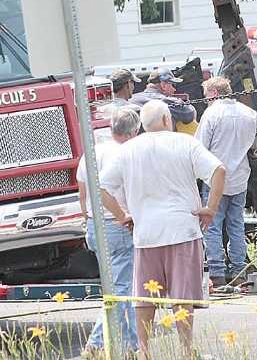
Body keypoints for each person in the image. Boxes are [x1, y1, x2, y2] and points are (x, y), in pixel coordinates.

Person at [99, 100, 225, 360]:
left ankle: (145, 351)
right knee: (182, 296)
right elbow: (218, 170)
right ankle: (186, 351)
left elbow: (101, 188)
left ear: (142, 126)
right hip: (183, 229)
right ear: (167, 119)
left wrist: (122, 216)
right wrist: (211, 208)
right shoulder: (185, 143)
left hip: (146, 232)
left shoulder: (128, 149)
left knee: (144, 297)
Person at [195, 76, 257, 286]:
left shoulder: (212, 114)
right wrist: (251, 146)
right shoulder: (247, 112)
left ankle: (216, 272)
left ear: (214, 93)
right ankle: (238, 270)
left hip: (215, 179)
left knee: (212, 225)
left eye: (206, 96)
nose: (206, 100)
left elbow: (199, 147)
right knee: (236, 225)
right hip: (240, 178)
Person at [77, 107, 141, 357]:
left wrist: (87, 218)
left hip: (95, 224)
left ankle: (132, 344)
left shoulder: (91, 153)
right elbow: (121, 191)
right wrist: (123, 215)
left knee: (119, 287)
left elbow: (83, 191)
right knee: (122, 289)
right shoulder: (125, 154)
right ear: (134, 132)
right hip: (117, 224)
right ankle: (96, 343)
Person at [129, 67, 197, 134]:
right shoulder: (167, 101)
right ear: (163, 85)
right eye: (173, 85)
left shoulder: (131, 99)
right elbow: (190, 114)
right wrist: (179, 101)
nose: (174, 89)